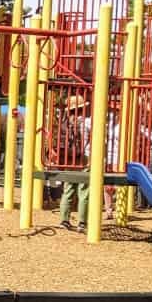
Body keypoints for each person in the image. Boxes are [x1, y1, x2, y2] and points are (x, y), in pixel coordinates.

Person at [59, 95, 90, 232]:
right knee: (83, 191)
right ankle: (82, 222)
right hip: (84, 159)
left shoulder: (65, 123)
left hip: (69, 158)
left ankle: (64, 220)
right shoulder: (86, 123)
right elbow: (88, 143)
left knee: (68, 190)